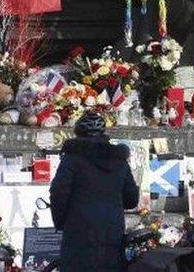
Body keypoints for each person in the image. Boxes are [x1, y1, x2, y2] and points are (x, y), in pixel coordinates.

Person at [50, 111, 139, 271]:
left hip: (79, 228)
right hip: (112, 228)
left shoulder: (72, 159)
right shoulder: (119, 160)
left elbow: (59, 193)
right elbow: (132, 199)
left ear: (78, 133)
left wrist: (61, 222)